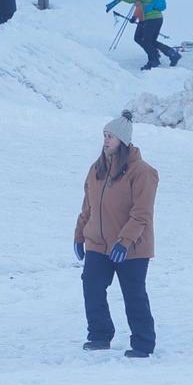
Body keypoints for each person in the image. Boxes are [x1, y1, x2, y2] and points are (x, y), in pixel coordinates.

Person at [73, 112, 159, 358]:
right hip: (98, 244)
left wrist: (125, 241)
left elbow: (142, 213)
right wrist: (79, 235)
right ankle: (99, 336)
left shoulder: (142, 172)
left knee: (133, 294)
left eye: (110, 136)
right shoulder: (96, 169)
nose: (106, 141)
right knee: (92, 286)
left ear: (123, 140)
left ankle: (143, 344)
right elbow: (87, 206)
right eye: (104, 136)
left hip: (131, 247)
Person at [108, 0, 180, 70]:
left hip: (152, 19)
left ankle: (154, 61)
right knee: (141, 39)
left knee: (147, 41)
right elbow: (140, 6)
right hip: (152, 19)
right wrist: (134, 17)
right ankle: (171, 54)